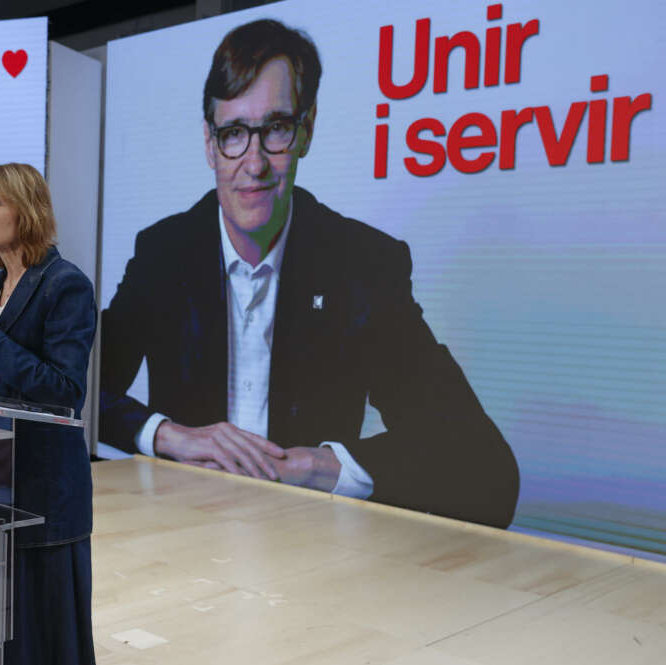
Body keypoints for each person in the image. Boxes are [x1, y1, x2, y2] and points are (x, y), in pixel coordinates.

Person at [99, 19, 520, 528]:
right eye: (233, 133)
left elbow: (486, 466)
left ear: (306, 130)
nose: (253, 164)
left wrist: (323, 467)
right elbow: (72, 392)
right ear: (209, 144)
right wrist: (168, 435)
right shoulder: (163, 253)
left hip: (308, 554)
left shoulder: (363, 265)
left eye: (275, 129)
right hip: (185, 539)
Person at [0, 163, 96, 664]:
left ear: (26, 212)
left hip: (42, 488)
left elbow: (64, 392)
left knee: (39, 636)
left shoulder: (64, 285)